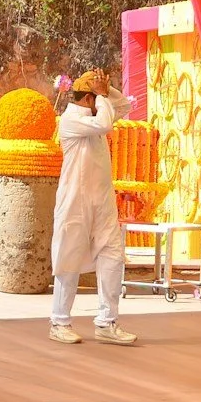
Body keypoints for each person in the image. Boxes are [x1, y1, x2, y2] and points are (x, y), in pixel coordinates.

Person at [49, 69, 135, 345]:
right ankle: (59, 322)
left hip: (102, 201)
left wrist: (107, 92)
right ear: (88, 98)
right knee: (68, 259)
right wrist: (101, 97)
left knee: (113, 255)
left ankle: (107, 322)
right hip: (75, 201)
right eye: (97, 96)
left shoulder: (98, 111)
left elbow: (124, 106)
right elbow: (104, 125)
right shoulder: (71, 120)